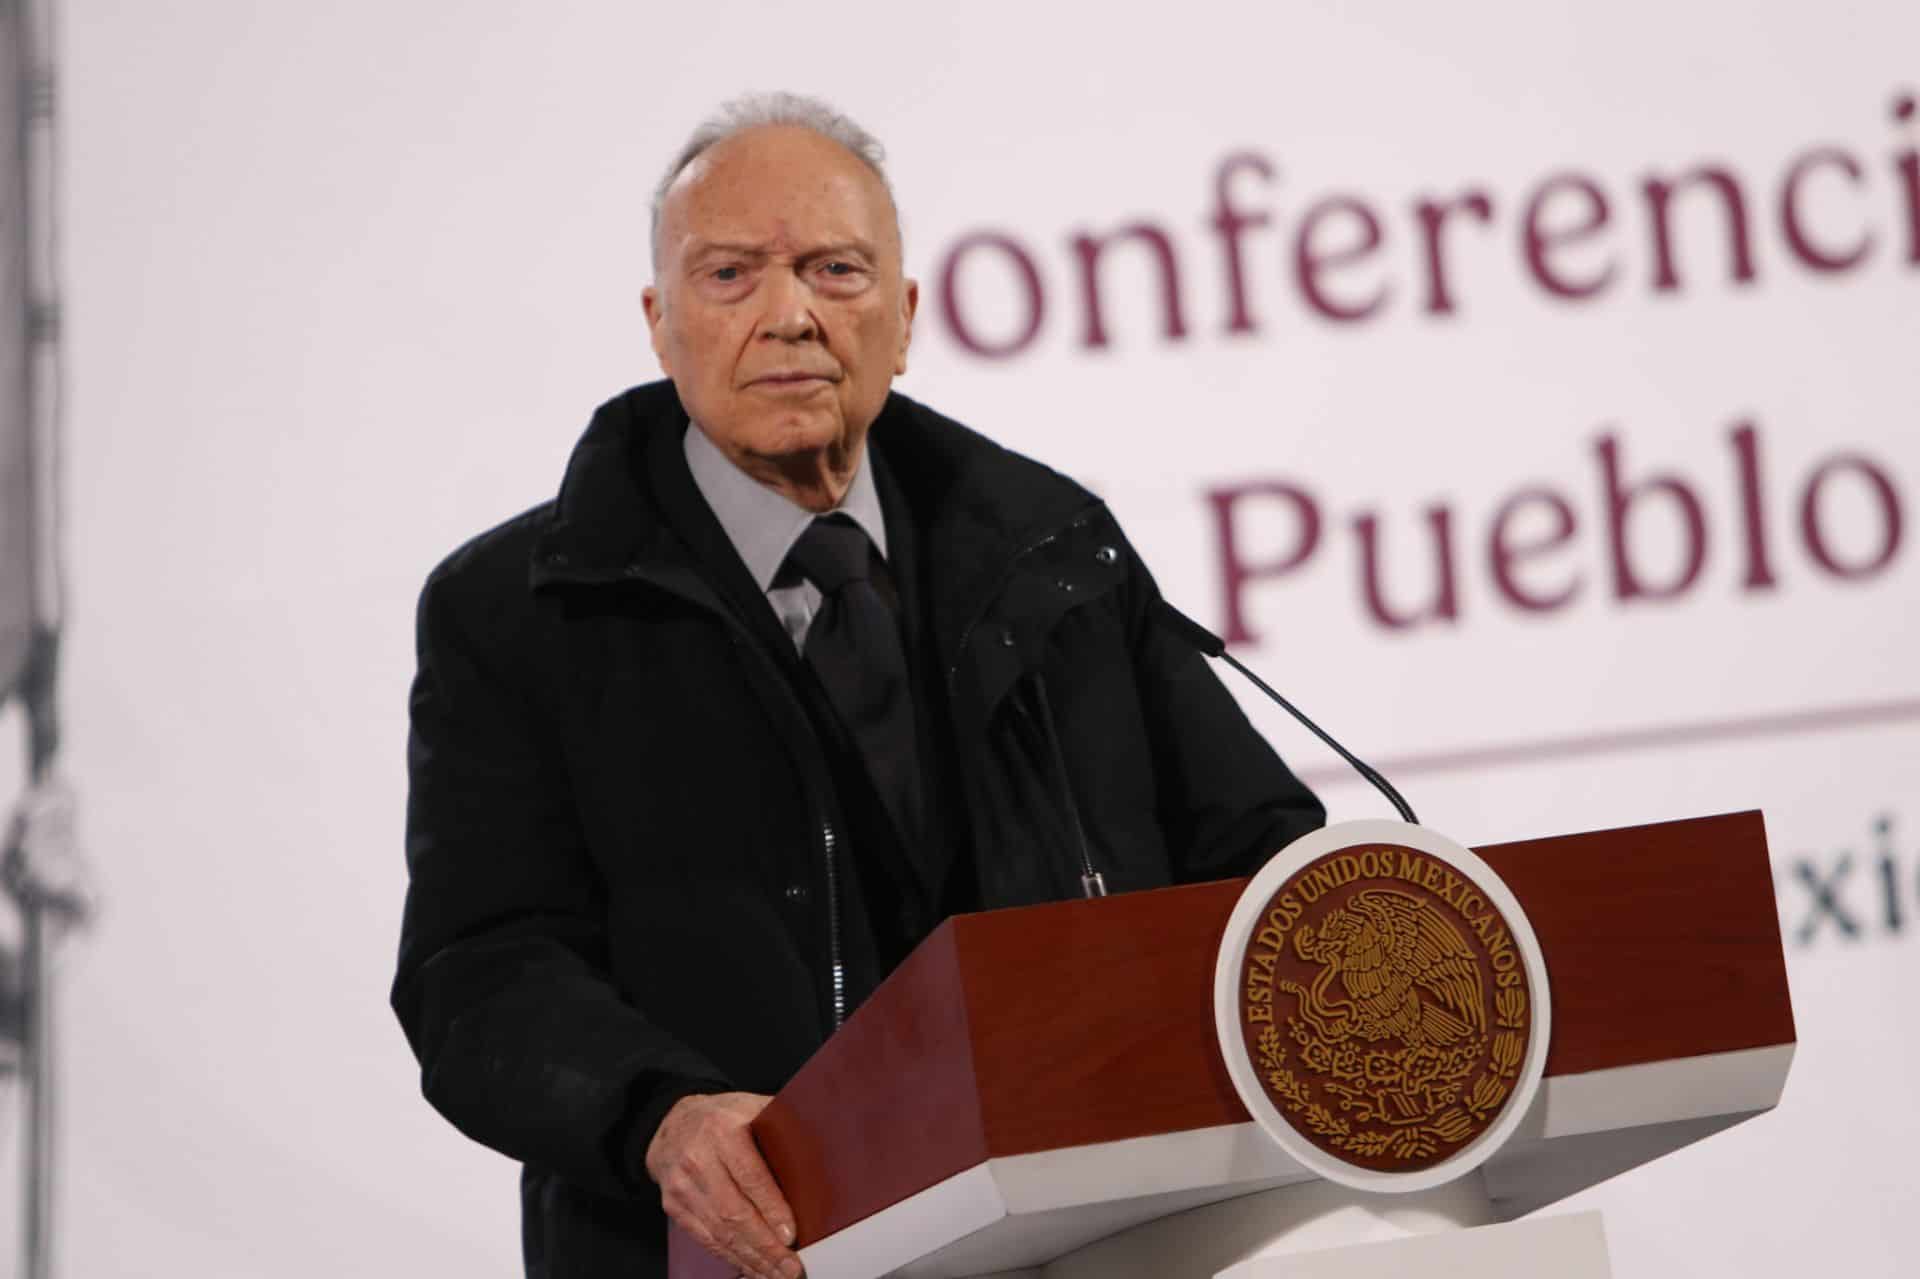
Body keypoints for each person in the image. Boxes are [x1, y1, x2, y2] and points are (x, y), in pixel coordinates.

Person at [391, 93, 1324, 1279]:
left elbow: (1256, 852)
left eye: (836, 270)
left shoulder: (1052, 552)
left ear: (906, 316)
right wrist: (658, 1116)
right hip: (743, 1252)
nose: (789, 316)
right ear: (658, 321)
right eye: (730, 275)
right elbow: (476, 974)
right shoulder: (518, 613)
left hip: (1099, 1231)